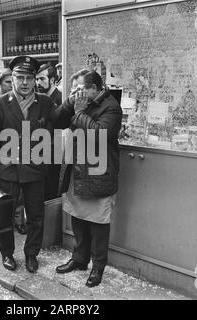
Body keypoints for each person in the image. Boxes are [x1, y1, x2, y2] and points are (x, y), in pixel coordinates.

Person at [53, 70, 122, 288]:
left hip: (98, 173)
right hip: (77, 170)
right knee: (78, 217)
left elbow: (101, 134)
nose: (75, 94)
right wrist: (70, 103)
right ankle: (79, 259)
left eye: (79, 90)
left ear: (94, 88)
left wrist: (80, 112)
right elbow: (55, 121)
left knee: (99, 222)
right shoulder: (79, 102)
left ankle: (98, 266)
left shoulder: (111, 107)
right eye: (73, 91)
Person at [0, 55, 54, 273]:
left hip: (35, 170)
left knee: (35, 216)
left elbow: (54, 130)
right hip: (8, 169)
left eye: (29, 78)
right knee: (5, 215)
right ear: (12, 79)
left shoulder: (45, 103)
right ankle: (7, 254)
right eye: (19, 77)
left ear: (35, 80)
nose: (24, 83)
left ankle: (31, 254)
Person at [36, 63, 63, 201]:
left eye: (42, 79)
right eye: (37, 79)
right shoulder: (37, 99)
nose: (38, 83)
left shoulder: (61, 99)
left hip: (54, 153)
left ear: (52, 80)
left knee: (51, 190)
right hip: (38, 152)